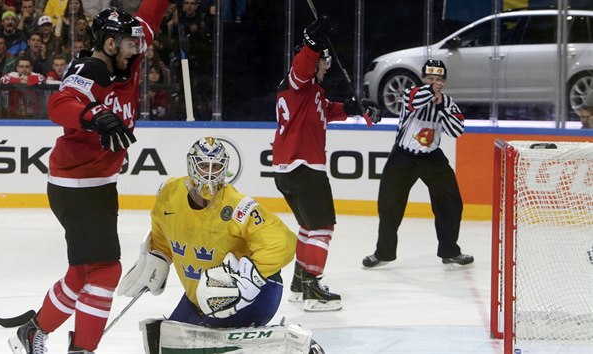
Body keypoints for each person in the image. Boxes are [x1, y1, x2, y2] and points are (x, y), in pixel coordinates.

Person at [8, 2, 169, 353]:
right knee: (106, 271)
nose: (138, 48)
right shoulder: (90, 67)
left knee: (83, 272)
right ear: (110, 44)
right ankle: (82, 349)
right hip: (77, 185)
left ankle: (33, 331)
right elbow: (58, 105)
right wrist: (93, 112)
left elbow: (152, 13)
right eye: (130, 43)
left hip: (97, 184)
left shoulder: (128, 54)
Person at [117, 137, 305, 353]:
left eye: (216, 167)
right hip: (197, 299)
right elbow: (162, 229)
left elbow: (283, 242)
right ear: (192, 165)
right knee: (164, 345)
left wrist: (248, 277)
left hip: (251, 295)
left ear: (224, 169)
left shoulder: (237, 206)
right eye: (204, 165)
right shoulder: (169, 193)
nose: (209, 173)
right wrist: (158, 256)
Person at [272, 16, 380, 312]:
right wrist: (311, 44)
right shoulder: (298, 82)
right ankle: (312, 289)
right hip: (304, 167)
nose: (326, 66)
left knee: (308, 226)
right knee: (322, 227)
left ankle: (299, 283)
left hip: (286, 170)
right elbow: (301, 67)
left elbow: (328, 109)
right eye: (323, 61)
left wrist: (353, 107)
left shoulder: (310, 93)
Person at [362, 59, 474, 269]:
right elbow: (415, 99)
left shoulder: (448, 103)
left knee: (451, 204)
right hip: (403, 157)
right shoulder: (412, 93)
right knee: (389, 206)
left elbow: (456, 130)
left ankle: (450, 251)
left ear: (445, 83)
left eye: (439, 79)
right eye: (430, 79)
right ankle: (383, 253)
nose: (435, 83)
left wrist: (441, 106)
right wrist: (431, 91)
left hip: (432, 157)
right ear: (423, 80)